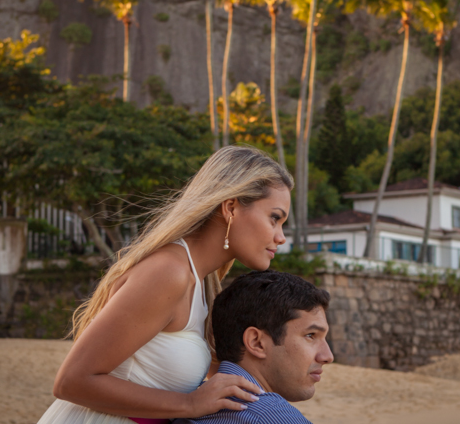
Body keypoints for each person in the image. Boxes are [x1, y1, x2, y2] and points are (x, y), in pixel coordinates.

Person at [37, 146, 293, 424]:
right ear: (231, 208)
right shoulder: (169, 272)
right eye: (274, 218)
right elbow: (71, 382)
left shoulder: (204, 282)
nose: (280, 237)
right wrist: (190, 403)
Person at [174, 270, 333, 424]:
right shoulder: (272, 416)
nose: (328, 356)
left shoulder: (183, 408)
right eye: (310, 335)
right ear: (256, 342)